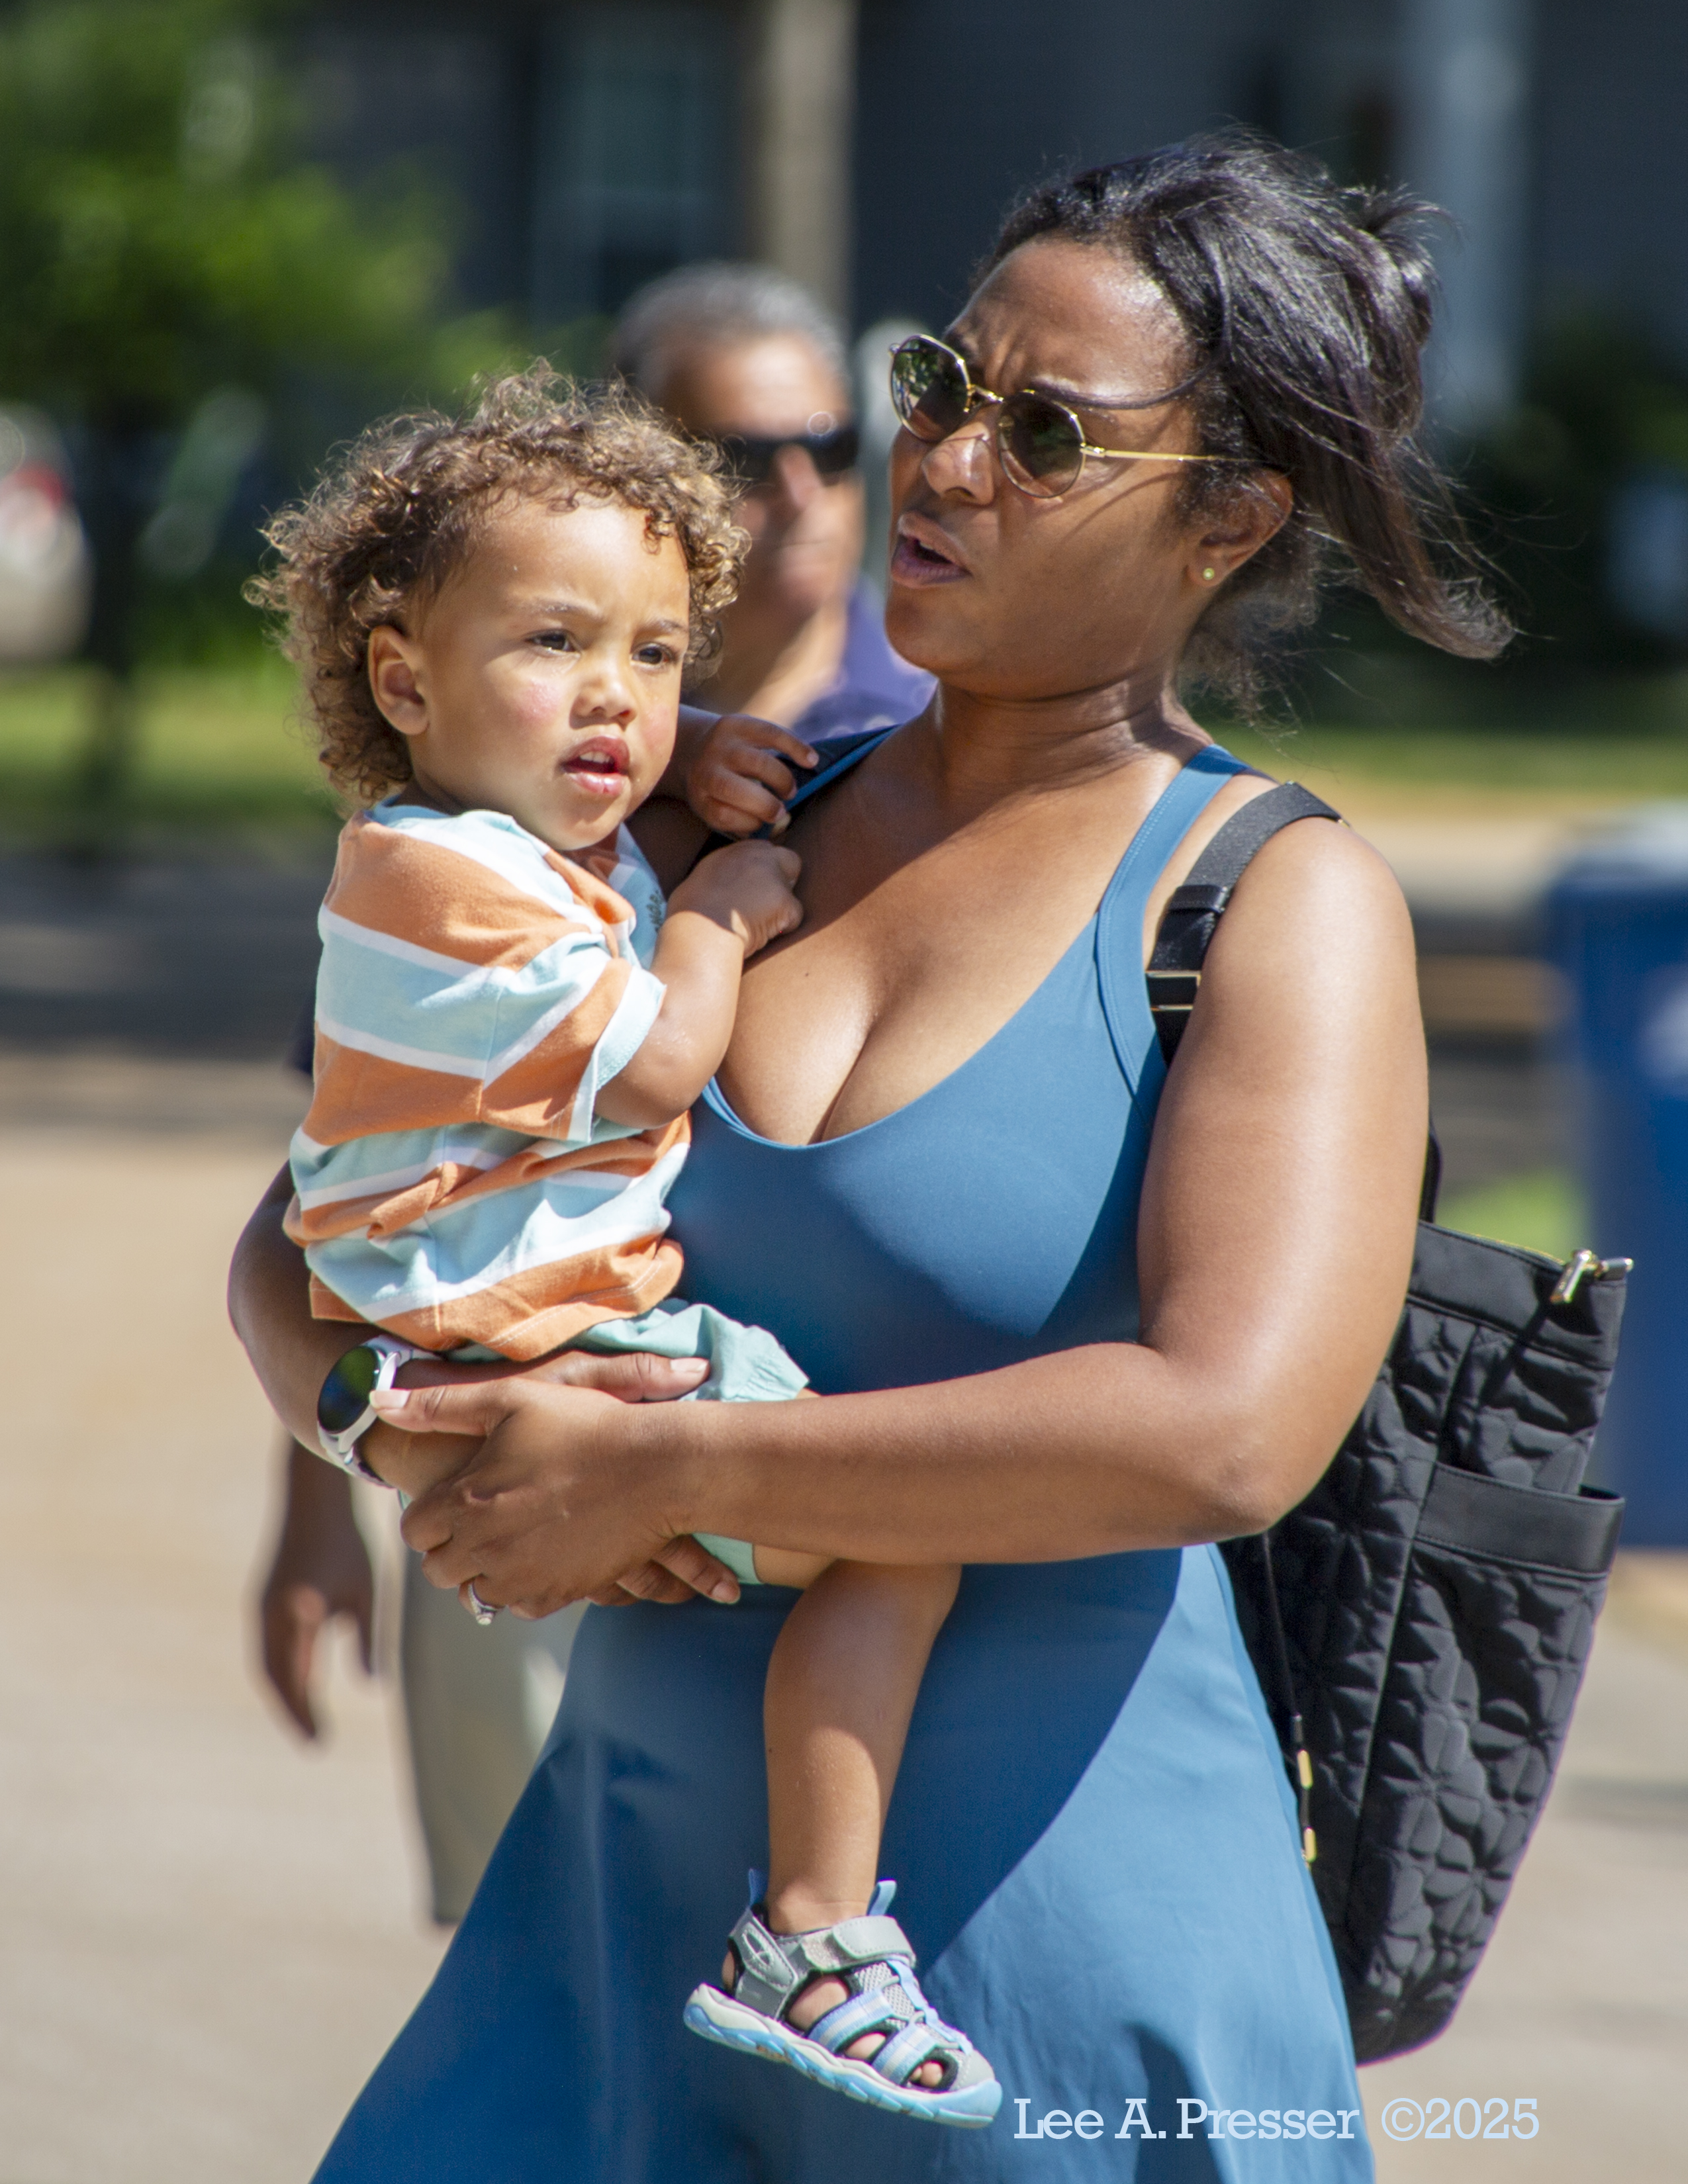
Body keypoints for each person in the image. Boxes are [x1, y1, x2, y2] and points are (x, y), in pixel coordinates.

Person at [231, 132, 1508, 2179]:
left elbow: (1222, 1433)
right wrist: (400, 1426)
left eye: (1044, 431)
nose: (944, 458)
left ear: (1227, 518)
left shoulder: (1275, 901)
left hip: (1046, 1976)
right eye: (937, 381)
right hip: (610, 1931)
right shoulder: (708, 822)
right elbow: (298, 1237)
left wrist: (669, 1468)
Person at [254, 370, 1000, 2122]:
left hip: (506, 1350)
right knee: (906, 1538)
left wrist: (686, 760)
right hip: (548, 1360)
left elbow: (603, 837)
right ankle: (814, 1933)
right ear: (401, 680)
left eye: (658, 654)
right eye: (556, 642)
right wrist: (724, 915)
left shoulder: (494, 848)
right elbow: (655, 1054)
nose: (617, 694)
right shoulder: (435, 886)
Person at [612, 261, 933, 743]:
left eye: (830, 450)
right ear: (634, 477)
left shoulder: (947, 726)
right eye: (745, 460)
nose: (800, 495)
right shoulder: (571, 723)